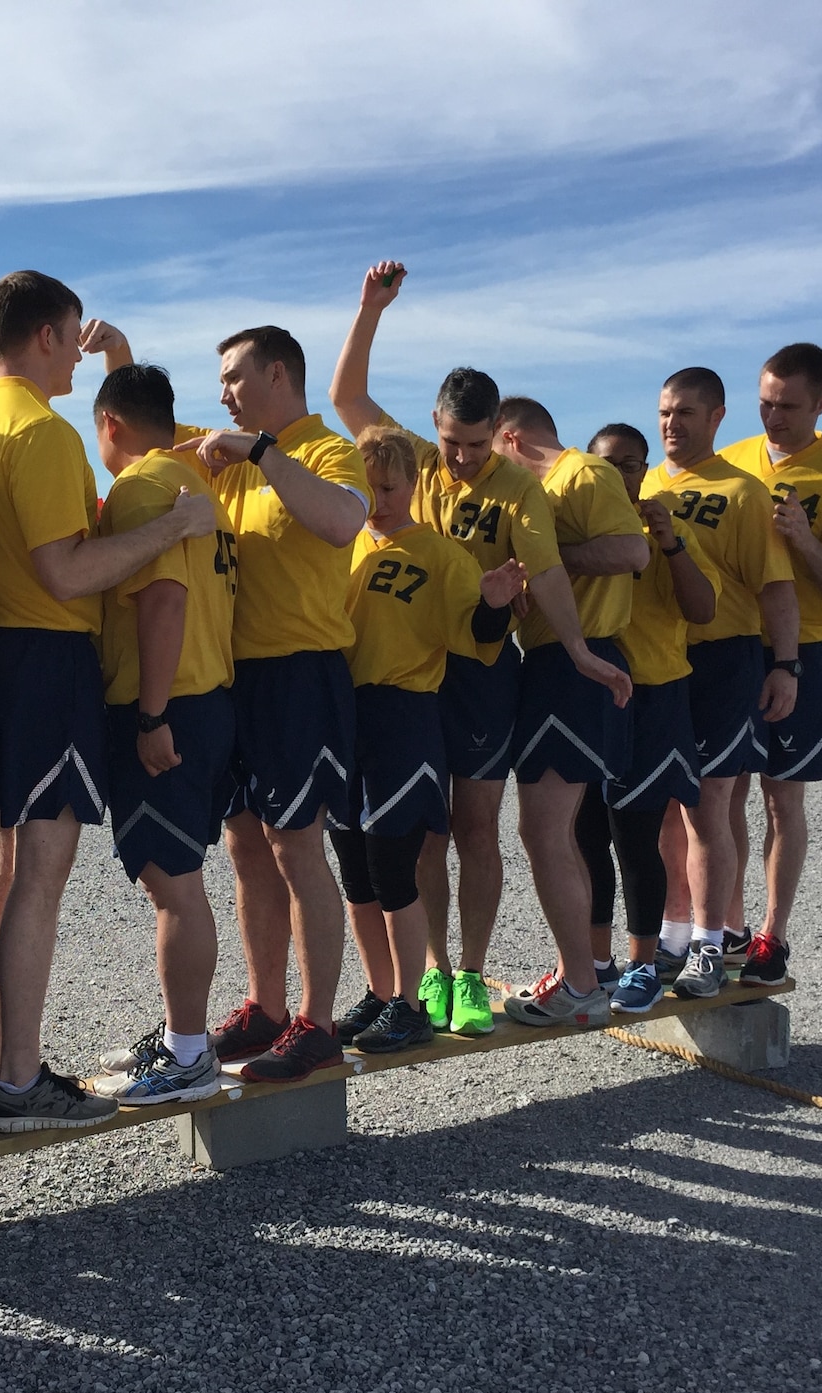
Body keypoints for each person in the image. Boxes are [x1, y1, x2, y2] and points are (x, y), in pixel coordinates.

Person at [0, 271, 217, 1131]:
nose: (76, 360)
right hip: (49, 660)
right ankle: (22, 1081)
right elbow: (65, 571)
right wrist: (170, 529)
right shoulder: (44, 430)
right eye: (70, 339)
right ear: (50, 336)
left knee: (4, 873)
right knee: (40, 878)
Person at [327, 260, 560, 1036]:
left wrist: (583, 651)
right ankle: (429, 974)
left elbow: (545, 575)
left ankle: (469, 973)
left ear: (498, 434)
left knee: (476, 829)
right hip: (419, 672)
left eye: (470, 445)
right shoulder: (417, 468)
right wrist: (369, 311)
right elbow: (347, 401)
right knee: (419, 832)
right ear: (434, 427)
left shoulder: (517, 490)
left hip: (484, 672)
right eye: (448, 441)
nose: (456, 457)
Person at [187, 326, 371, 1084]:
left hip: (303, 672)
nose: (222, 391)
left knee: (298, 847)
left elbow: (340, 522)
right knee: (246, 849)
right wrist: (117, 357)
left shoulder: (325, 450)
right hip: (238, 678)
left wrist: (259, 451)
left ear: (276, 373)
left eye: (233, 376)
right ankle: (265, 1006)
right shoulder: (225, 458)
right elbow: (140, 431)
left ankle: (317, 1021)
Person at [333, 427, 524, 1053]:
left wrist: (494, 605)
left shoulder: (442, 556)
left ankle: (413, 1006)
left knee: (395, 866)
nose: (379, 499)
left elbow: (475, 638)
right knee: (355, 870)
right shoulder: (344, 544)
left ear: (414, 483)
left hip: (405, 712)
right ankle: (381, 991)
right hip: (344, 713)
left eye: (389, 487)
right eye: (368, 488)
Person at [84, 363, 238, 1104]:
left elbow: (164, 602)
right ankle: (185, 1038)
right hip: (204, 697)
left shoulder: (145, 485)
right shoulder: (192, 483)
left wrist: (149, 716)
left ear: (109, 422)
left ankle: (188, 1053)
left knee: (173, 885)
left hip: (166, 704)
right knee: (176, 882)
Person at [719, 343, 822, 984]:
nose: (772, 417)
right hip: (731, 648)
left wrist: (807, 543)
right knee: (717, 795)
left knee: (782, 800)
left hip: (806, 650)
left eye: (787, 406)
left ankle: (771, 935)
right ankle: (722, 928)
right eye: (764, 403)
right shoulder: (729, 463)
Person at [637, 367, 797, 1000]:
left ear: (716, 418)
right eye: (665, 413)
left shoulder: (743, 491)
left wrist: (785, 666)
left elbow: (776, 588)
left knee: (709, 803)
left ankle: (711, 943)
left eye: (685, 413)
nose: (672, 424)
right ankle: (675, 934)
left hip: (724, 660)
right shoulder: (644, 482)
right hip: (659, 662)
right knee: (667, 806)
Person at [492, 398, 641, 1028]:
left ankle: (581, 983)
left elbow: (632, 552)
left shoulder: (580, 474)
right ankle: (579, 969)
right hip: (556, 664)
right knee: (562, 831)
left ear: (511, 438)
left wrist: (545, 563)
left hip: (574, 664)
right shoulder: (557, 482)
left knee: (542, 832)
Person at [579, 423, 719, 1015]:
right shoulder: (577, 528)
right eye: (609, 464)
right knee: (584, 833)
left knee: (635, 835)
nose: (623, 475)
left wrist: (671, 545)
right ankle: (594, 961)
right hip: (588, 690)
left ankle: (643, 966)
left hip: (655, 694)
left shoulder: (668, 528)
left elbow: (704, 610)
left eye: (634, 465)